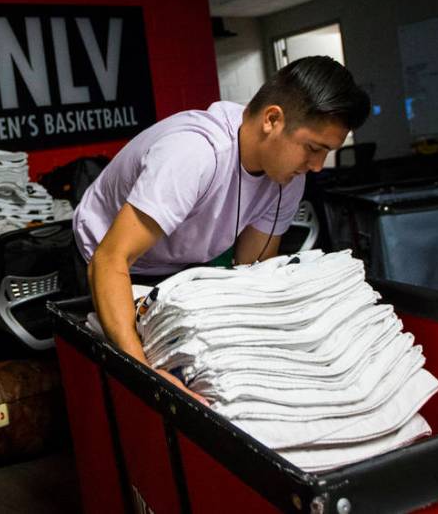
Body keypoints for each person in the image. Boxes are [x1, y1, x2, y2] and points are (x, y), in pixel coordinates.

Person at [72, 56, 370, 402]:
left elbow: (251, 273)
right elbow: (110, 260)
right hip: (106, 260)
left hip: (179, 267)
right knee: (131, 388)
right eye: (313, 149)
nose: (318, 166)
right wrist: (147, 376)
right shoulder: (195, 154)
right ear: (272, 119)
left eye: (328, 152)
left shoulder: (288, 177)